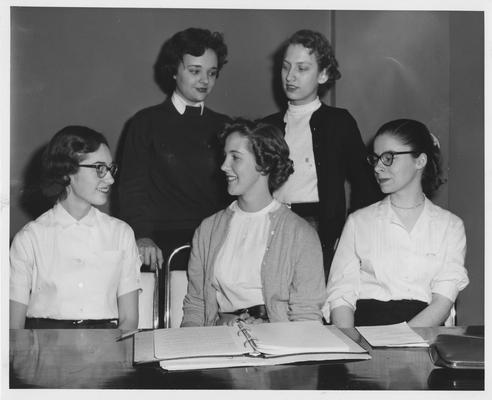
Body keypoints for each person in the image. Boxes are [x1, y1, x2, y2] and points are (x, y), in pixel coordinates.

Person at [323, 119, 469, 327]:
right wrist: (352, 344)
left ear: (420, 161)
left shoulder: (450, 226)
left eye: (388, 158)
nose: (378, 167)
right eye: (375, 159)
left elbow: (442, 302)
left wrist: (399, 341)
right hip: (365, 332)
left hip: (424, 334)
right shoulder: (358, 222)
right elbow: (341, 295)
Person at [181, 119, 326, 327]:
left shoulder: (301, 234)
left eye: (235, 158)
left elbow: (307, 317)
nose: (223, 166)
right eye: (225, 156)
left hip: (280, 347)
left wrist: (269, 330)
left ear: (264, 164)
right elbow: (196, 306)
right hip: (221, 341)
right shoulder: (208, 230)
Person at [263, 29, 381, 277]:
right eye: (285, 67)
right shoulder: (265, 126)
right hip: (271, 223)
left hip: (318, 227)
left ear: (323, 74)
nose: (290, 76)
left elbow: (365, 184)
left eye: (302, 68)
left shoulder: (339, 122)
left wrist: (349, 232)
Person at [118, 27, 230, 271]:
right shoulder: (145, 123)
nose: (205, 80)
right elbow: (132, 188)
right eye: (194, 71)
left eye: (212, 73)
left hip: (215, 242)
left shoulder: (226, 126)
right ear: (173, 71)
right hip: (158, 245)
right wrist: (142, 236)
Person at [10, 126, 141, 329]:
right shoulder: (29, 238)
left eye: (110, 168)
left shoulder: (121, 234)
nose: (110, 178)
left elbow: (129, 320)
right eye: (99, 168)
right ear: (67, 172)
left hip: (105, 350)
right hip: (44, 351)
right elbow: (13, 330)